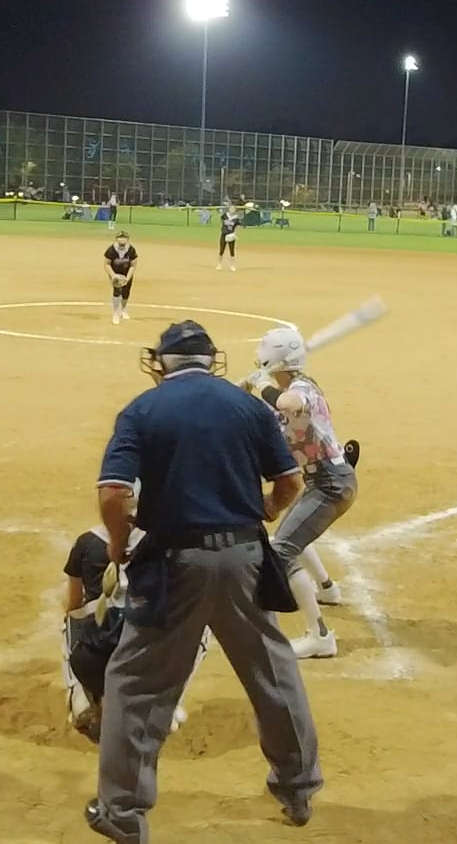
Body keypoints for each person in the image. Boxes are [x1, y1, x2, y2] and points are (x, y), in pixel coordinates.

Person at [86, 321, 321, 840]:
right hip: (245, 559)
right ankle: (298, 789)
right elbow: (290, 481)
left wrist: (118, 543)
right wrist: (262, 510)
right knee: (273, 671)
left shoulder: (143, 410)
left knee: (137, 685)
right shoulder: (248, 407)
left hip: (174, 566)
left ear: (163, 362)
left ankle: (122, 814)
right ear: (210, 360)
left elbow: (114, 493)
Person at [241, 327, 360, 660]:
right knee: (292, 533)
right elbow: (271, 417)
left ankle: (320, 637)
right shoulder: (283, 394)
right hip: (324, 482)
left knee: (282, 550)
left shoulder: (301, 389)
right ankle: (327, 588)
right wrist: (241, 394)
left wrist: (260, 384)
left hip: (331, 484)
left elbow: (289, 405)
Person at [60, 484, 208, 743]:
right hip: (146, 660)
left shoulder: (86, 542)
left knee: (73, 619)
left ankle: (80, 696)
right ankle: (168, 705)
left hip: (92, 663)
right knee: (199, 626)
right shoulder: (163, 543)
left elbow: (72, 604)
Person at [103, 230, 137, 324]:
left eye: (124, 238)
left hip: (127, 274)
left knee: (126, 292)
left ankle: (123, 309)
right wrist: (113, 275)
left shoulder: (131, 250)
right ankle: (115, 314)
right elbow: (106, 264)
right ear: (117, 239)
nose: (122, 240)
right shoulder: (111, 250)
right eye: (120, 238)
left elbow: (133, 265)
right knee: (117, 291)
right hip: (115, 273)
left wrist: (127, 278)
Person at [216, 201, 240, 271]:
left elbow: (237, 227)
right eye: (231, 208)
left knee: (232, 251)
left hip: (231, 235)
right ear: (229, 209)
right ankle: (219, 264)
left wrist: (235, 234)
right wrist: (222, 229)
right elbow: (221, 220)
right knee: (221, 250)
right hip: (224, 234)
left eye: (233, 209)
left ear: (235, 210)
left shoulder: (236, 218)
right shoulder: (225, 215)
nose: (232, 210)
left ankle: (232, 266)